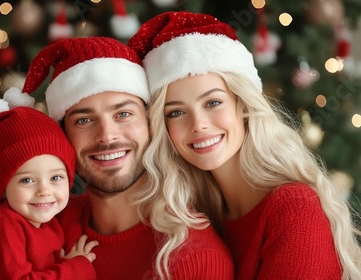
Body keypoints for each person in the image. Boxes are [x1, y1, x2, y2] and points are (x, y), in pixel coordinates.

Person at [128, 11, 361, 279]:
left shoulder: (294, 208)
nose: (198, 124)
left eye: (213, 103)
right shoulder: (198, 214)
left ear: (243, 105)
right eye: (176, 112)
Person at [21, 36, 234, 279]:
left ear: (150, 125)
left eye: (123, 114)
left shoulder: (193, 258)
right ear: (63, 137)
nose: (107, 136)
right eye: (83, 120)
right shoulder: (43, 221)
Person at [0, 89, 98, 279]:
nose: (44, 191)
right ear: (3, 188)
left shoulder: (50, 218)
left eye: (56, 178)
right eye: (27, 180)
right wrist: (74, 269)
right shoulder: (4, 227)